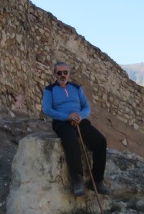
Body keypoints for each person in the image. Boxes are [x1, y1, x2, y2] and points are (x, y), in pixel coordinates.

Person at [41, 61, 111, 197]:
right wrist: (67, 117)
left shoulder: (76, 88)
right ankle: (77, 179)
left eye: (65, 72)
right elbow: (47, 110)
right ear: (54, 74)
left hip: (80, 121)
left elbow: (86, 107)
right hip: (62, 122)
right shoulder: (49, 90)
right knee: (71, 140)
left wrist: (79, 116)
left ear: (69, 73)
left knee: (100, 141)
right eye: (59, 73)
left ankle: (96, 180)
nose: (62, 75)